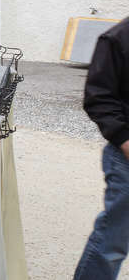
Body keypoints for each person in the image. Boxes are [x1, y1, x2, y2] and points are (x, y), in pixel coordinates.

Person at [74, 16, 129, 280]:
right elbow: (98, 98)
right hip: (126, 160)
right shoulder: (116, 39)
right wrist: (125, 140)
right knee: (113, 244)